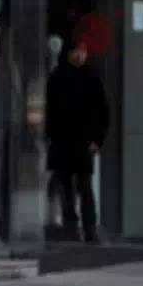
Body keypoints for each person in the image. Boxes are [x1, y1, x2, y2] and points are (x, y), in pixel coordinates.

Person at [46, 41, 109, 243]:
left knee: (84, 186)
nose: (79, 55)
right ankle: (71, 228)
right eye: (76, 51)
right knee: (66, 188)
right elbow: (50, 111)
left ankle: (89, 228)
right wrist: (50, 137)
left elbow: (103, 112)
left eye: (82, 51)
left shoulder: (92, 78)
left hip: (83, 143)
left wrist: (97, 140)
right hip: (63, 142)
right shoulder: (58, 77)